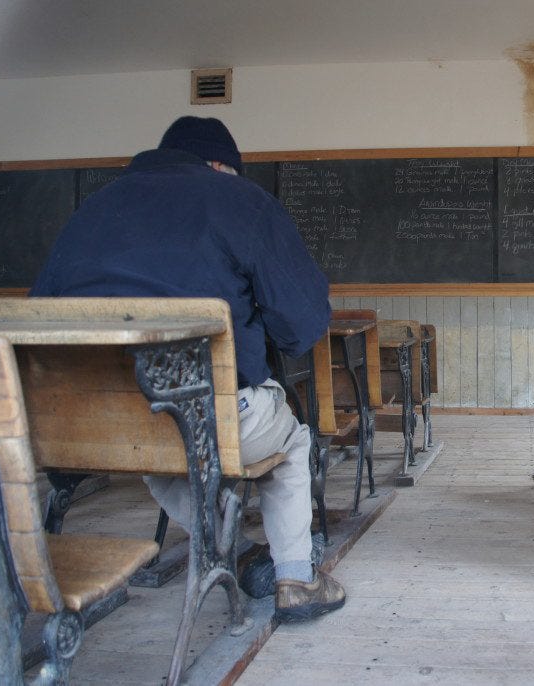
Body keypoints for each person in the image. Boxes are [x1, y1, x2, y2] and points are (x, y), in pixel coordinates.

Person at [30, 116, 345, 622]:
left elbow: (37, 317)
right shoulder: (240, 202)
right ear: (220, 165)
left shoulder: (93, 207)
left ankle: (236, 551)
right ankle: (297, 579)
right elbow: (302, 326)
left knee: (161, 462)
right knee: (292, 442)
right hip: (215, 421)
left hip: (100, 429)